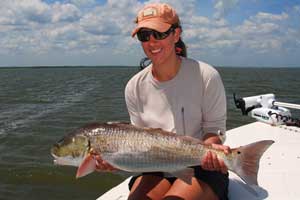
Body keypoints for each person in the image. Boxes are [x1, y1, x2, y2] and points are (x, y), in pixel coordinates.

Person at [96, 3, 230, 200]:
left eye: (158, 34)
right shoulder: (134, 87)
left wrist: (210, 151)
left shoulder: (206, 76)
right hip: (154, 166)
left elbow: (213, 130)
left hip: (201, 166)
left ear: (176, 34)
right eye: (144, 36)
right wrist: (114, 160)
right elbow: (137, 142)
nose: (151, 42)